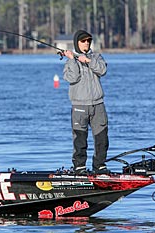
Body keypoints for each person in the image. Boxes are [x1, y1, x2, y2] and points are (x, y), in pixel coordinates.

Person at [63, 30, 109, 175]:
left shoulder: (96, 57)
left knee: (102, 138)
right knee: (80, 139)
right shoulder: (70, 62)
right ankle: (79, 167)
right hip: (79, 106)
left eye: (88, 41)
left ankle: (100, 166)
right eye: (83, 41)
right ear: (77, 43)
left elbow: (102, 70)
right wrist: (72, 60)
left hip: (98, 104)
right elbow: (72, 78)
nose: (86, 43)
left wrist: (88, 61)